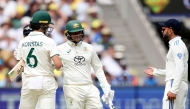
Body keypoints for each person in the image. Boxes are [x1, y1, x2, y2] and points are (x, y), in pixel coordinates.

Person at [57, 20, 114, 109]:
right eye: (74, 33)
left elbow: (98, 68)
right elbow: (51, 65)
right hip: (72, 88)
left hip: (89, 86)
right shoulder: (60, 49)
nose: (77, 35)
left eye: (79, 32)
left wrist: (105, 85)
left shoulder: (89, 48)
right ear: (67, 34)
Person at [14, 10, 62, 109]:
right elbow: (58, 65)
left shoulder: (22, 42)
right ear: (42, 25)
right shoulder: (49, 41)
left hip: (29, 81)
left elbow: (21, 67)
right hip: (46, 81)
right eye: (47, 25)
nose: (48, 27)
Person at [144, 19, 188, 109]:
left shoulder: (177, 46)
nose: (162, 31)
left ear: (170, 30)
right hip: (180, 83)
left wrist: (174, 90)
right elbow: (175, 69)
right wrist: (156, 72)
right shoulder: (177, 45)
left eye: (164, 29)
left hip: (175, 83)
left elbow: (180, 69)